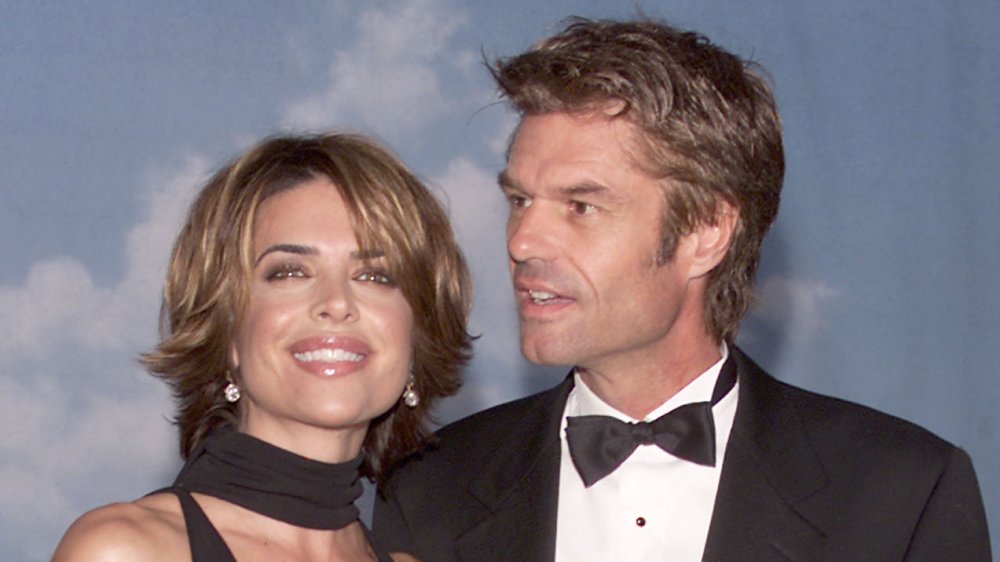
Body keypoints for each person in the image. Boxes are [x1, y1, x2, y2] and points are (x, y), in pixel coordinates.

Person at [371, 17, 991, 561]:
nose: (522, 240)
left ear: (706, 231)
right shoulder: (431, 489)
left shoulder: (903, 492)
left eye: (581, 205)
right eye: (519, 199)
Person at [52, 133, 472, 562]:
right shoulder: (127, 551)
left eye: (375, 276)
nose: (337, 303)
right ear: (227, 330)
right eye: (290, 272)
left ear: (417, 335)